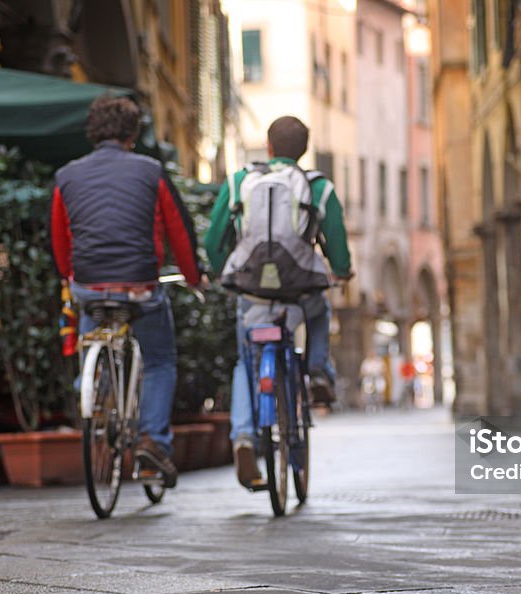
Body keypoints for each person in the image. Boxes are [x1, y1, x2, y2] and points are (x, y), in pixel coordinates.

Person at [50, 96, 201, 488]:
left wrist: (72, 276)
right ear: (134, 133)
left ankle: (95, 387)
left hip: (89, 286)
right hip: (139, 288)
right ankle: (153, 439)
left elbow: (60, 242)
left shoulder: (66, 176)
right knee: (159, 359)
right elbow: (179, 233)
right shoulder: (151, 171)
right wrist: (194, 276)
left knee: (91, 324)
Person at [205, 115, 352, 488]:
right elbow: (336, 247)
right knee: (321, 309)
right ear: (304, 151)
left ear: (268, 147)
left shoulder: (240, 182)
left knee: (245, 363)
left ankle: (242, 437)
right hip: (300, 296)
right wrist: (341, 271)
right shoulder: (318, 187)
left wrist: (223, 272)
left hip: (252, 295)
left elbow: (213, 240)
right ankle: (318, 370)